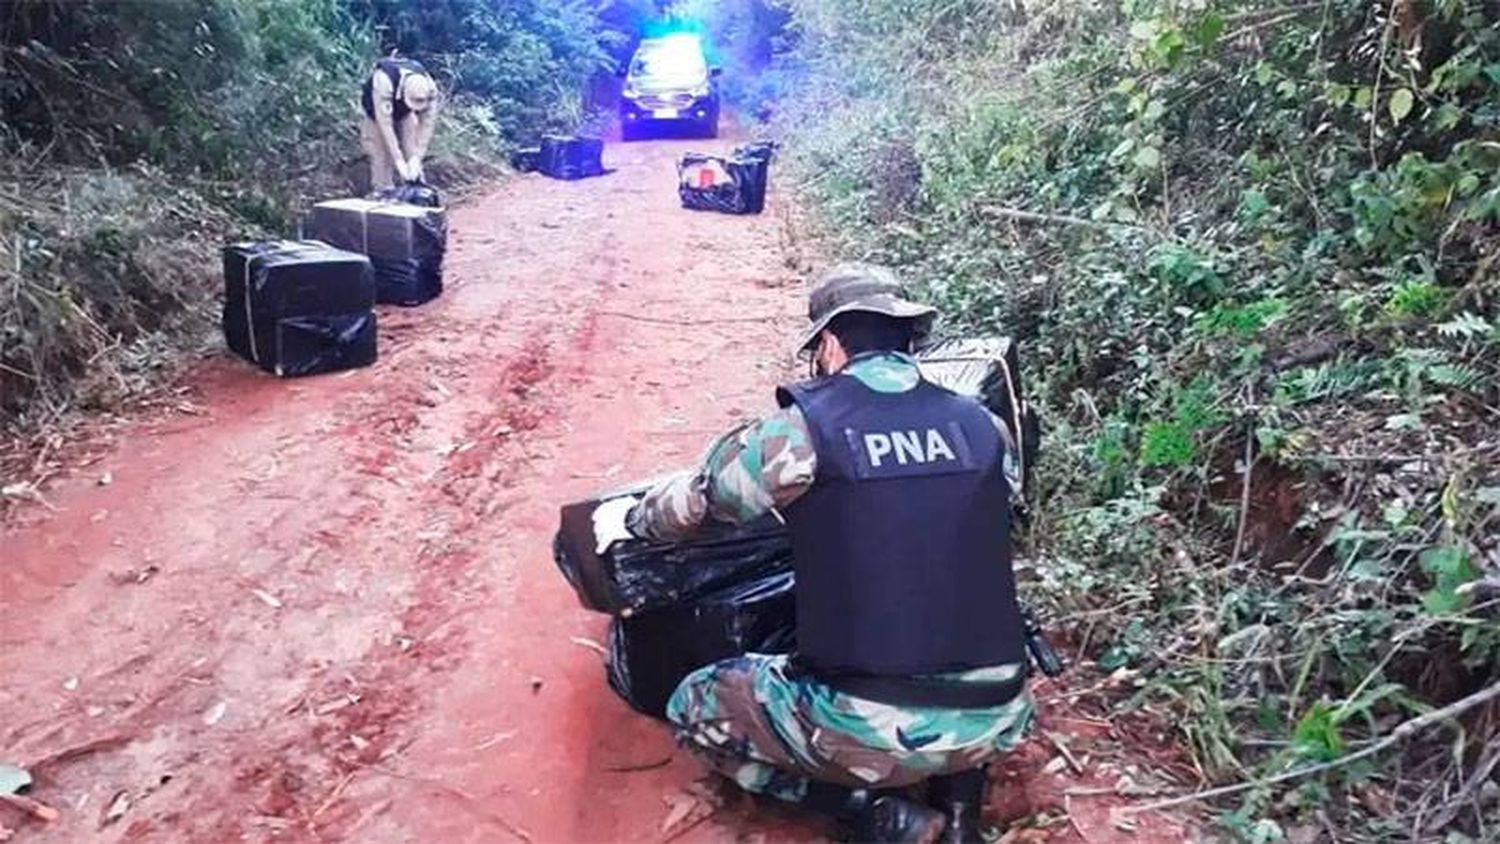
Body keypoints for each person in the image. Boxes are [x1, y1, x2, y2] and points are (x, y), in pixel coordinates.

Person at [592, 264, 1036, 843]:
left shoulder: (803, 432)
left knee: (692, 705)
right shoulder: (983, 426)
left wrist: (631, 519)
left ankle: (870, 812)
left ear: (829, 344)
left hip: (869, 720)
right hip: (1003, 710)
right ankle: (958, 817)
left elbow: (700, 502)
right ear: (908, 338)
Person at [360, 57, 441, 192]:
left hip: (404, 113)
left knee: (411, 148)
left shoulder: (430, 88)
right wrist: (399, 161)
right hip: (376, 116)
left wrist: (416, 158)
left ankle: (418, 188)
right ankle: (384, 192)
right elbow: (385, 125)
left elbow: (427, 125)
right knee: (381, 154)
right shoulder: (383, 81)